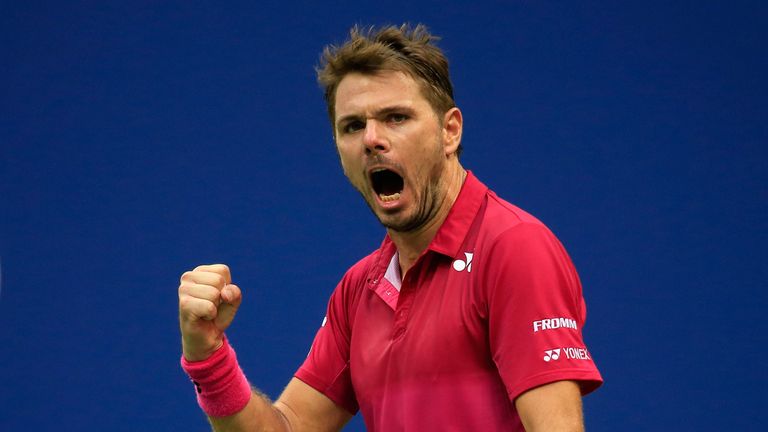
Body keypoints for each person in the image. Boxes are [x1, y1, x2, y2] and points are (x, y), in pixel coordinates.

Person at [178, 24, 602, 431]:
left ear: (449, 131)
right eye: (353, 126)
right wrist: (208, 356)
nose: (372, 139)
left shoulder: (514, 247)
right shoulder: (359, 288)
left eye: (396, 118)